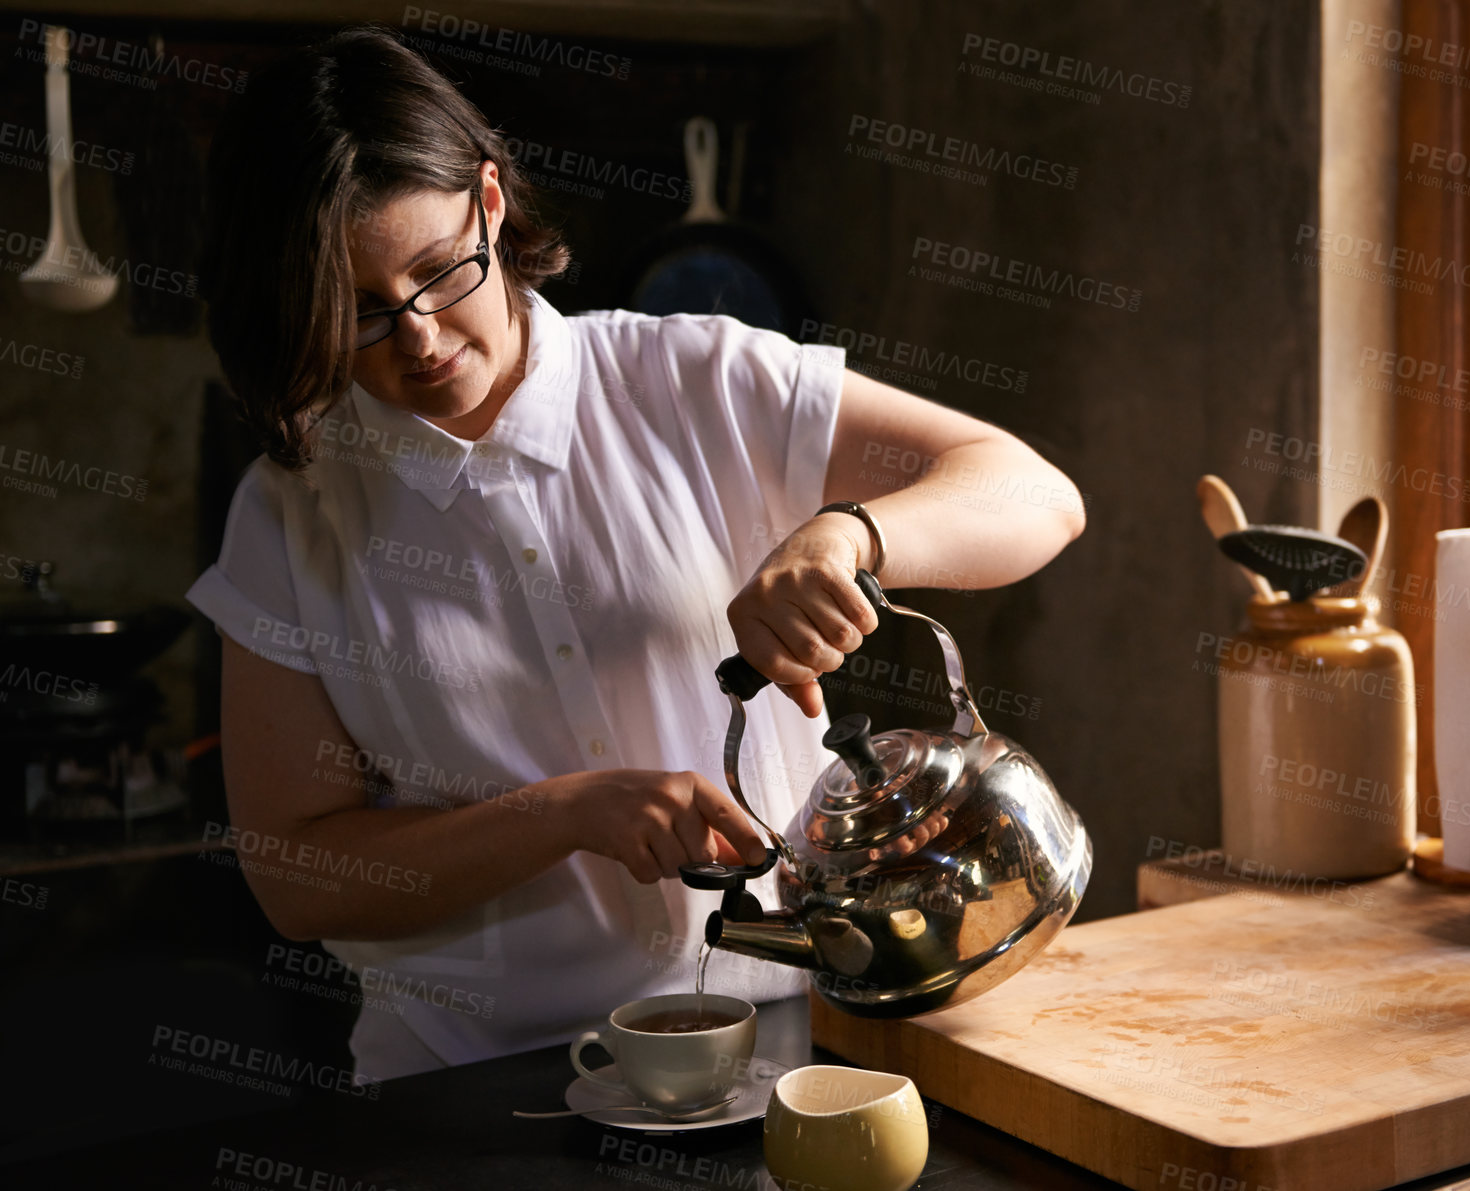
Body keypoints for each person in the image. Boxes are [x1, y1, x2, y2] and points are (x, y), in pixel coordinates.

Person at [190, 26, 1084, 1082]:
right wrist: (564, 814)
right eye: (360, 313)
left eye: (438, 274)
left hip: (792, 1049)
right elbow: (300, 881)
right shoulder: (293, 509)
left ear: (488, 202)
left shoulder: (688, 379)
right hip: (471, 1079)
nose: (420, 339)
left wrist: (850, 533)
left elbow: (1034, 491)